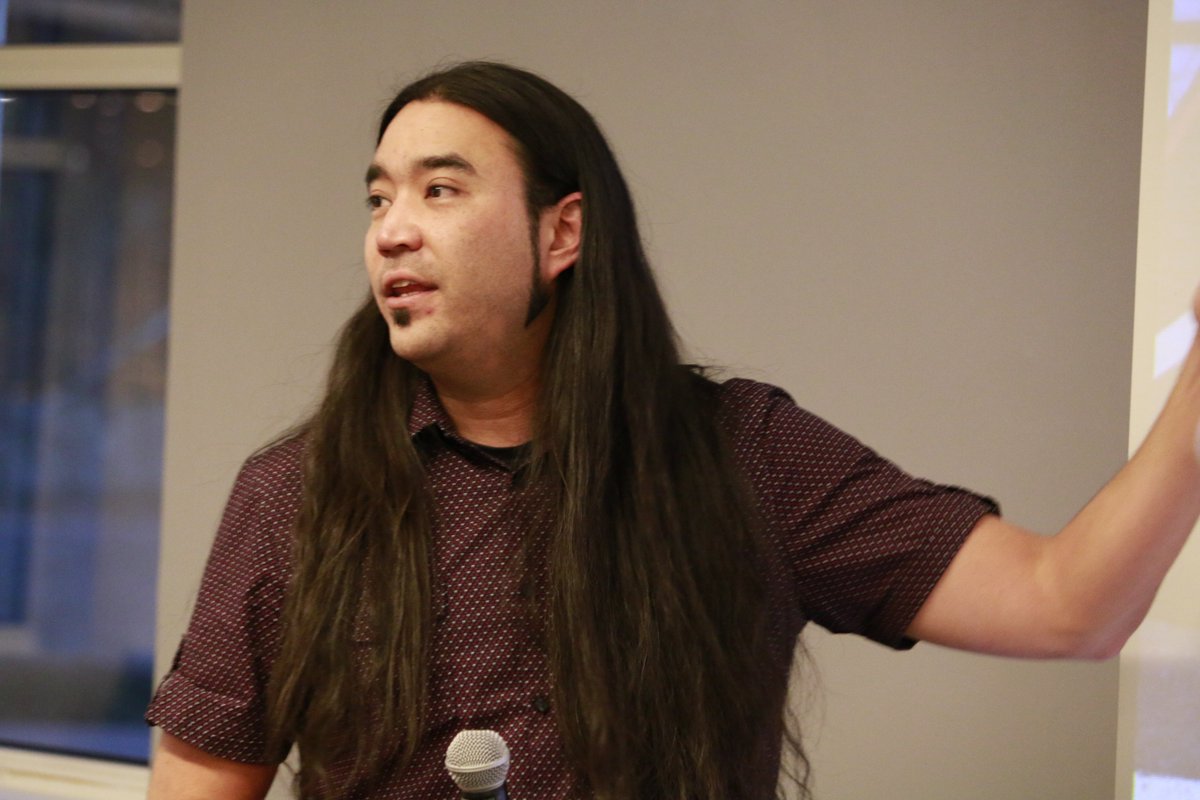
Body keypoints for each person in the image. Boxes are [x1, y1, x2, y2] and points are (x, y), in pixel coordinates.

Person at [145, 61, 1200, 800]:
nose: (392, 231)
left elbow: (1070, 603)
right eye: (379, 198)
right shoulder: (294, 493)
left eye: (441, 189)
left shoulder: (746, 454)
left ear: (562, 232)